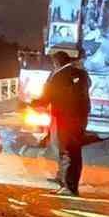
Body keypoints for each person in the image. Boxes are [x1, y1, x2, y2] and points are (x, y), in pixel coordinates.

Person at [40, 50, 92, 196]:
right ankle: (65, 181)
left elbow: (47, 96)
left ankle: (69, 186)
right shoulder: (81, 74)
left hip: (65, 118)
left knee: (67, 150)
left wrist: (30, 104)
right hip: (79, 118)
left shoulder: (58, 76)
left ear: (56, 62)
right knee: (73, 150)